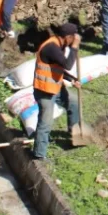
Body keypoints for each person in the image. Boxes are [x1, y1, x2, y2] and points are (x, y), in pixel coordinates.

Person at [31, 23, 84, 159]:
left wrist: (71, 79)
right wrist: (74, 48)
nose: (76, 39)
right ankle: (39, 155)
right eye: (74, 38)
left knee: (73, 102)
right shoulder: (51, 47)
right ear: (68, 37)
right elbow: (67, 64)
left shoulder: (58, 44)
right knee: (46, 123)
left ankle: (74, 136)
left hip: (55, 87)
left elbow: (58, 67)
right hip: (44, 91)